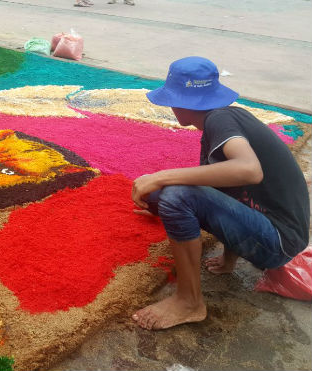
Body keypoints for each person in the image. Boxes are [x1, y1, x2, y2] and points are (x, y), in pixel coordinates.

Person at [130, 56, 310, 330]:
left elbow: (249, 171)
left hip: (278, 242)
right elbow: (233, 186)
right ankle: (224, 257)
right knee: (162, 194)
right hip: (276, 231)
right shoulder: (227, 117)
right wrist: (229, 258)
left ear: (183, 101)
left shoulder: (220, 120)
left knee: (176, 195)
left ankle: (189, 301)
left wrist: (161, 176)